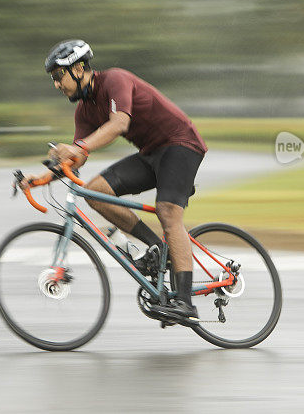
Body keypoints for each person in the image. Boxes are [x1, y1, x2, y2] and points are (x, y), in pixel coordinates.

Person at [20, 39, 207, 325]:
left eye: (59, 76)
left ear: (79, 68)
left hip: (180, 144)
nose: (57, 85)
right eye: (53, 79)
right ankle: (158, 249)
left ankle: (185, 302)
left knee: (168, 211)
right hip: (150, 153)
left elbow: (119, 123)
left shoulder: (115, 80)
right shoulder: (84, 110)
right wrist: (42, 178)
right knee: (94, 192)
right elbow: (77, 157)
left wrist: (79, 148)